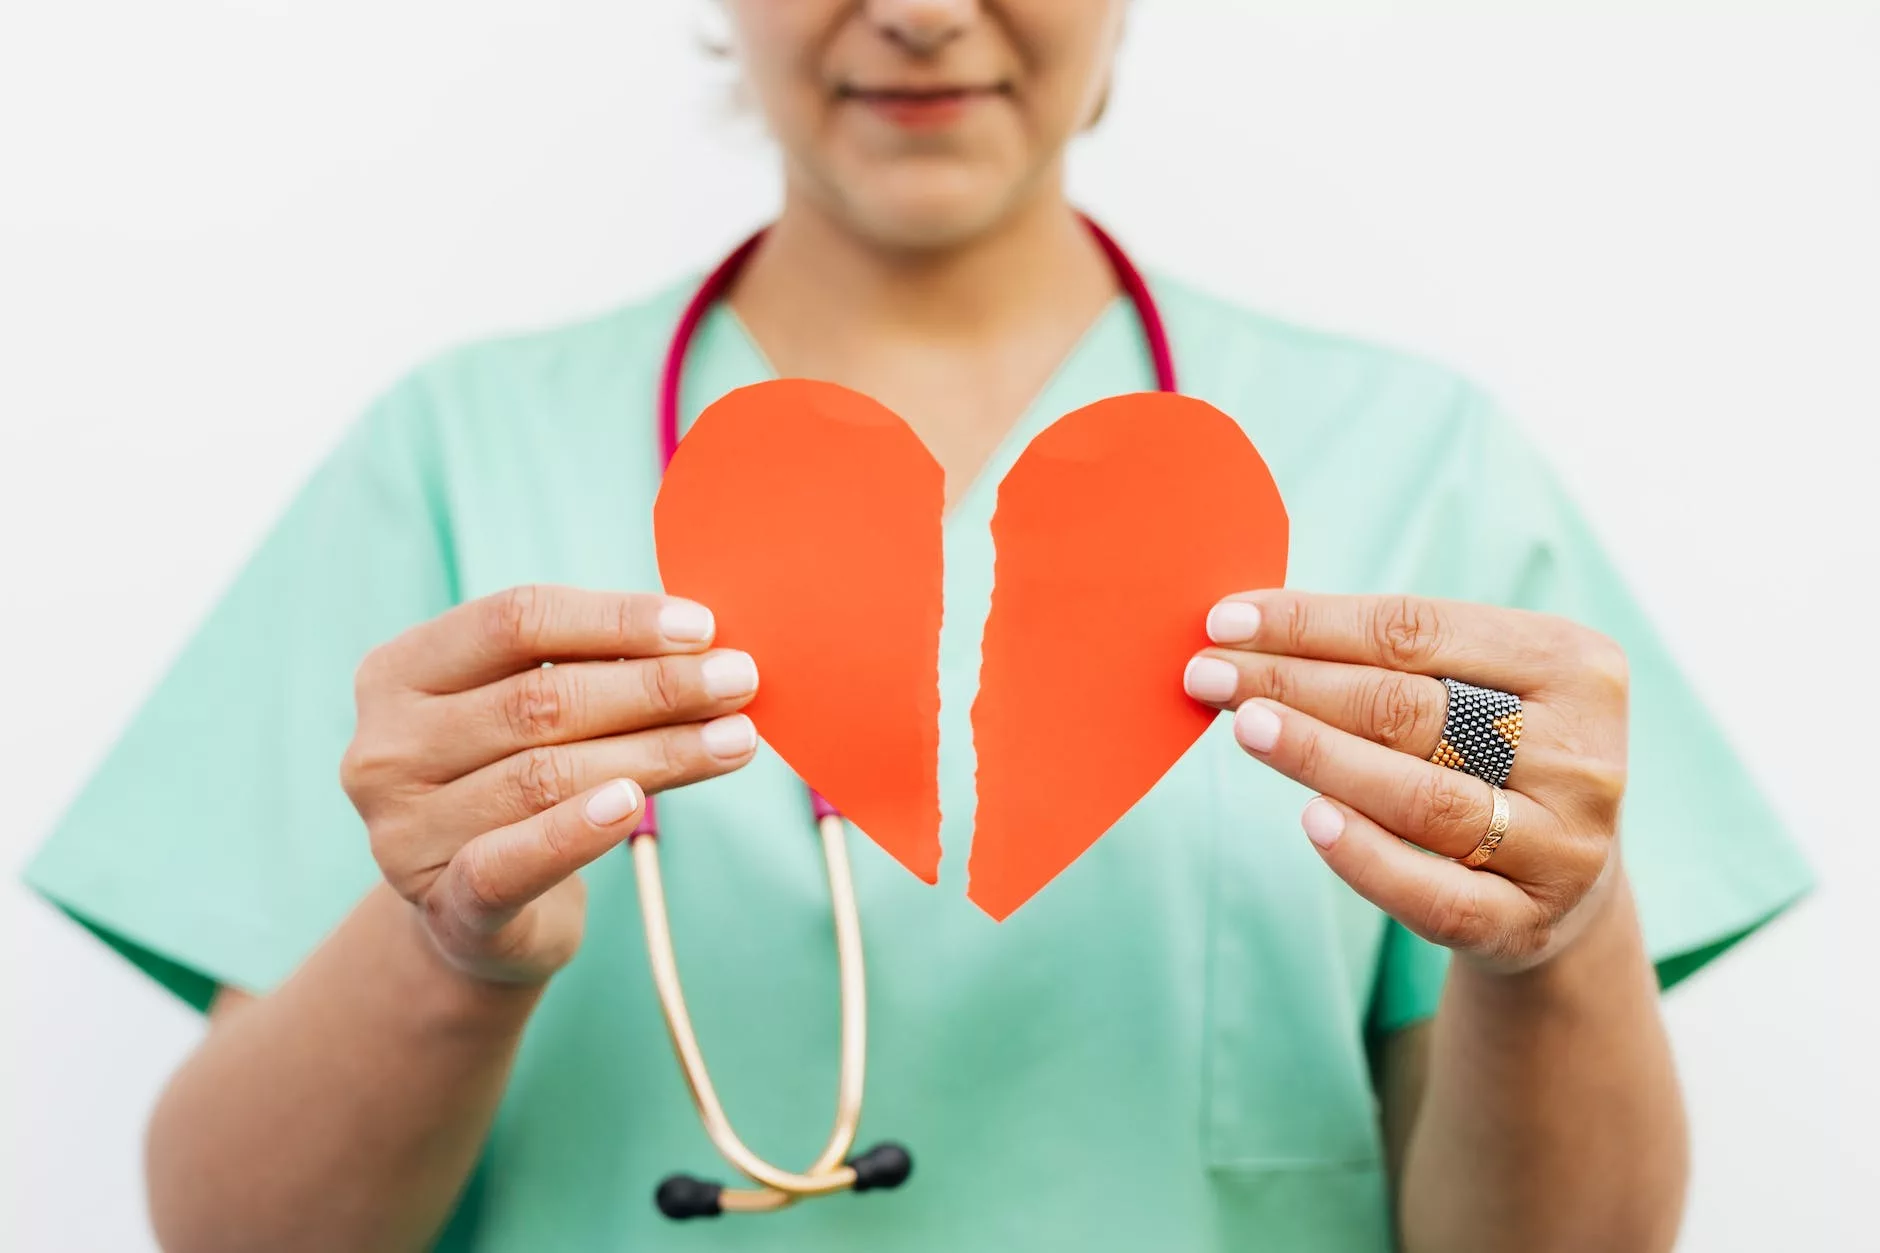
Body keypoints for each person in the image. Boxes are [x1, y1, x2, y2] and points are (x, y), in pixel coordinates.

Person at [24, 3, 1810, 1252]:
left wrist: (1554, 934)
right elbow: (235, 1236)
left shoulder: (1416, 471)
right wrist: (451, 955)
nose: (925, 8)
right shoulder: (456, 459)